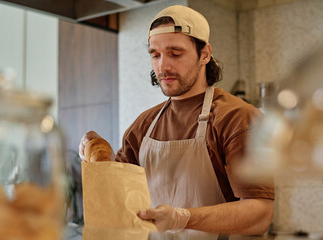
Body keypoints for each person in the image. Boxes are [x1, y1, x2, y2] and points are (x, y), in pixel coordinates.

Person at [79, 5, 274, 235]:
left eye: (175, 53)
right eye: (155, 55)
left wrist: (183, 218)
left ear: (205, 54)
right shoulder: (144, 125)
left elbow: (260, 215)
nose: (163, 66)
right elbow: (120, 200)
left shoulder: (237, 118)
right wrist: (96, 157)